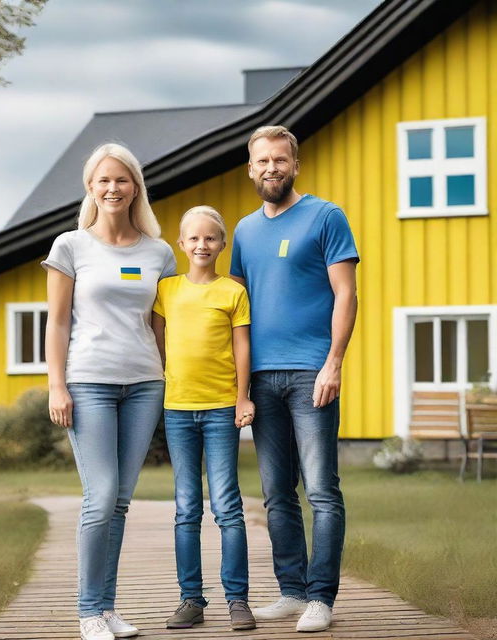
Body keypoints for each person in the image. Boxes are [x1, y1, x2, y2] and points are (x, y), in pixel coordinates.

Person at [42, 143, 176, 640]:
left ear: (135, 186)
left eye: (121, 180)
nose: (113, 188)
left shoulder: (158, 252)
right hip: (88, 382)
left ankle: (107, 606)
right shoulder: (70, 246)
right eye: (103, 180)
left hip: (144, 385)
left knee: (119, 501)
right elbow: (56, 324)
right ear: (90, 188)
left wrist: (172, 378)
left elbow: (162, 327)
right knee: (99, 497)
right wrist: (57, 385)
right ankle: (87, 612)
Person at [230, 126, 359, 633]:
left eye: (279, 160)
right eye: (261, 161)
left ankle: (321, 599)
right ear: (250, 169)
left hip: (311, 373)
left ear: (295, 164)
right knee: (277, 492)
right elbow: (238, 309)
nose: (270, 168)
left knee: (322, 489)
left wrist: (333, 362)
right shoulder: (242, 231)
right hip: (261, 376)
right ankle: (291, 591)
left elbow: (345, 294)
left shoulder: (326, 216)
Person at [152, 206, 257, 632]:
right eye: (193, 238)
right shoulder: (167, 290)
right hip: (178, 409)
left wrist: (241, 398)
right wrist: (168, 380)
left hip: (219, 409)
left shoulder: (232, 292)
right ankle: (191, 599)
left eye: (210, 238)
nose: (201, 245)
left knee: (228, 506)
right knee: (186, 507)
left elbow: (243, 348)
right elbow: (157, 341)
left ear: (221, 244)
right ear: (181, 244)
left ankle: (237, 600)